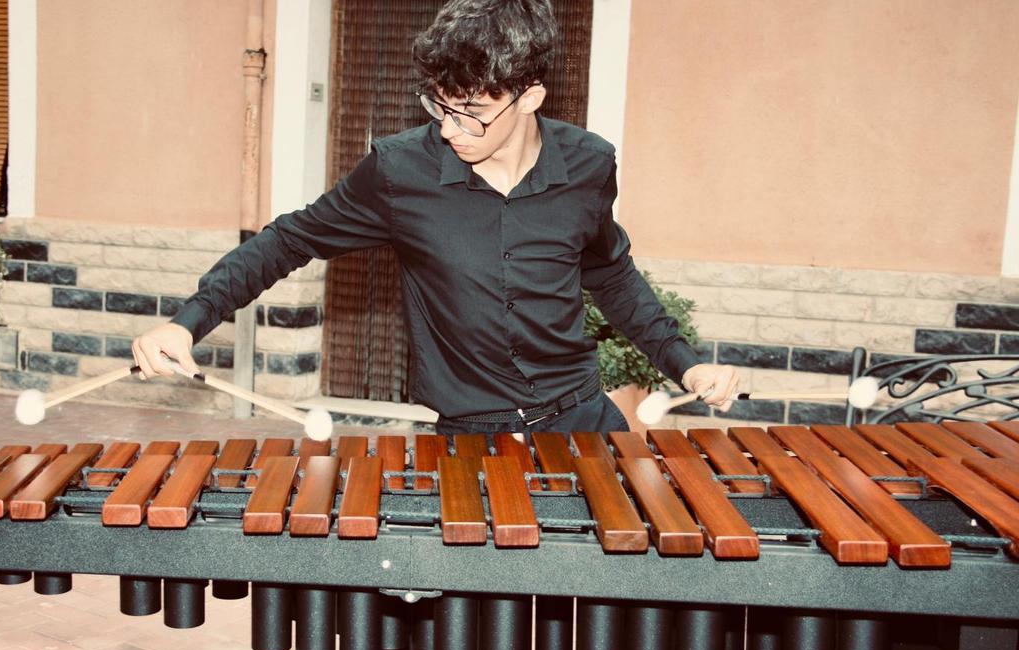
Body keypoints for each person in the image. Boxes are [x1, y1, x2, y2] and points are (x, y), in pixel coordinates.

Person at [133, 0, 739, 436]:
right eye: (441, 108)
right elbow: (289, 239)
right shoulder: (401, 172)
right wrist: (188, 322)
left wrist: (686, 364)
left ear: (529, 96)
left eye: (471, 112)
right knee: (467, 614)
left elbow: (610, 274)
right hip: (469, 437)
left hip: (582, 420)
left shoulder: (588, 164)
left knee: (612, 600)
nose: (450, 129)